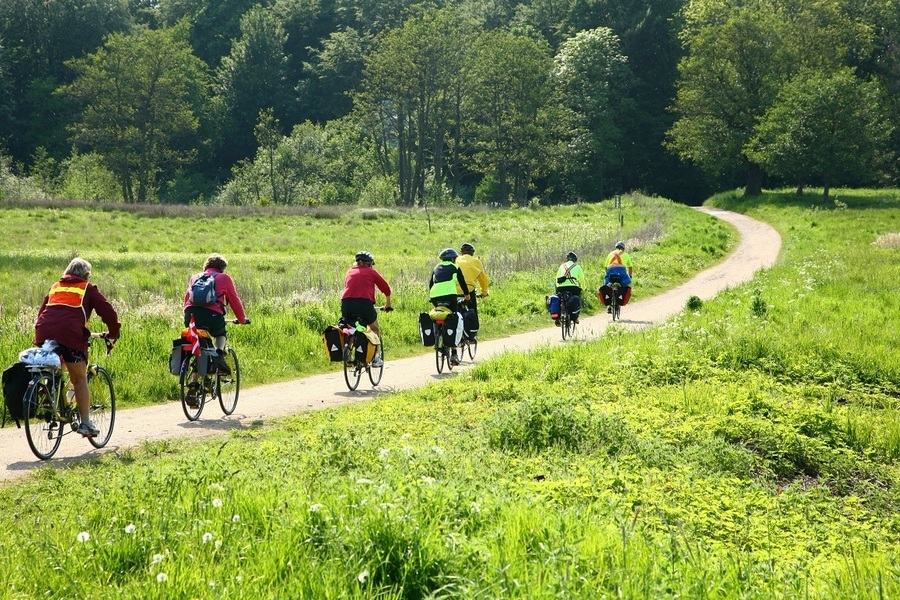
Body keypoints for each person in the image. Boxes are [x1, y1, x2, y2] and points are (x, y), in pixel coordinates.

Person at [34, 257, 121, 437]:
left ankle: (49, 395)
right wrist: (113, 332)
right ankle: (86, 424)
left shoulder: (56, 286)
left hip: (45, 332)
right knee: (79, 379)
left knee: (56, 366)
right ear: (86, 275)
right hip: (70, 336)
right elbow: (107, 311)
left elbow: (42, 312)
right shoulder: (87, 288)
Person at [183, 254, 248, 384]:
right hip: (212, 316)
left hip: (191, 316)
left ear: (206, 266)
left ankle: (193, 384)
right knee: (220, 334)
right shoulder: (224, 278)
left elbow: (186, 300)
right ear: (222, 268)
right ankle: (218, 356)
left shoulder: (195, 277)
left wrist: (188, 318)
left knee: (199, 347)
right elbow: (234, 301)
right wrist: (242, 319)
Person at [341, 251, 392, 367]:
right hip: (364, 304)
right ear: (369, 264)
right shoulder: (371, 272)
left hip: (346, 303)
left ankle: (348, 352)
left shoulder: (349, 271)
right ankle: (376, 359)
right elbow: (386, 288)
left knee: (352, 328)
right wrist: (388, 304)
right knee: (375, 328)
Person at [429, 248, 470, 365]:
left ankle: (437, 334)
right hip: (450, 297)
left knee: (438, 313)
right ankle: (454, 353)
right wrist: (467, 296)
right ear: (453, 259)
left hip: (435, 296)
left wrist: (432, 296)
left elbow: (431, 284)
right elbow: (462, 282)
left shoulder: (436, 268)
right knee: (453, 317)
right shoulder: (455, 268)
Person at [455, 243, 489, 340]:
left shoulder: (456, 260)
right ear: (472, 253)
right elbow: (483, 279)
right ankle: (472, 335)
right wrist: (484, 292)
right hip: (469, 291)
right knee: (472, 310)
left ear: (461, 253)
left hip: (454, 290)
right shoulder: (476, 261)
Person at [602, 240, 633, 312]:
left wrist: (608, 274)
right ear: (623, 248)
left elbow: (605, 267)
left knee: (607, 284)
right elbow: (630, 267)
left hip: (610, 271)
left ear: (616, 247)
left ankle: (609, 305)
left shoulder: (610, 254)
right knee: (625, 283)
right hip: (621, 271)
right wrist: (630, 276)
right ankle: (620, 297)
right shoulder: (626, 255)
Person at [554, 251, 584, 324]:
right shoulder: (577, 266)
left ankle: (558, 317)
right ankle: (575, 317)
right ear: (575, 259)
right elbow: (582, 279)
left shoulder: (562, 266)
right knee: (577, 298)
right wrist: (583, 288)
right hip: (573, 287)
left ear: (567, 259)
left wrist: (557, 287)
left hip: (560, 287)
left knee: (560, 299)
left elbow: (556, 278)